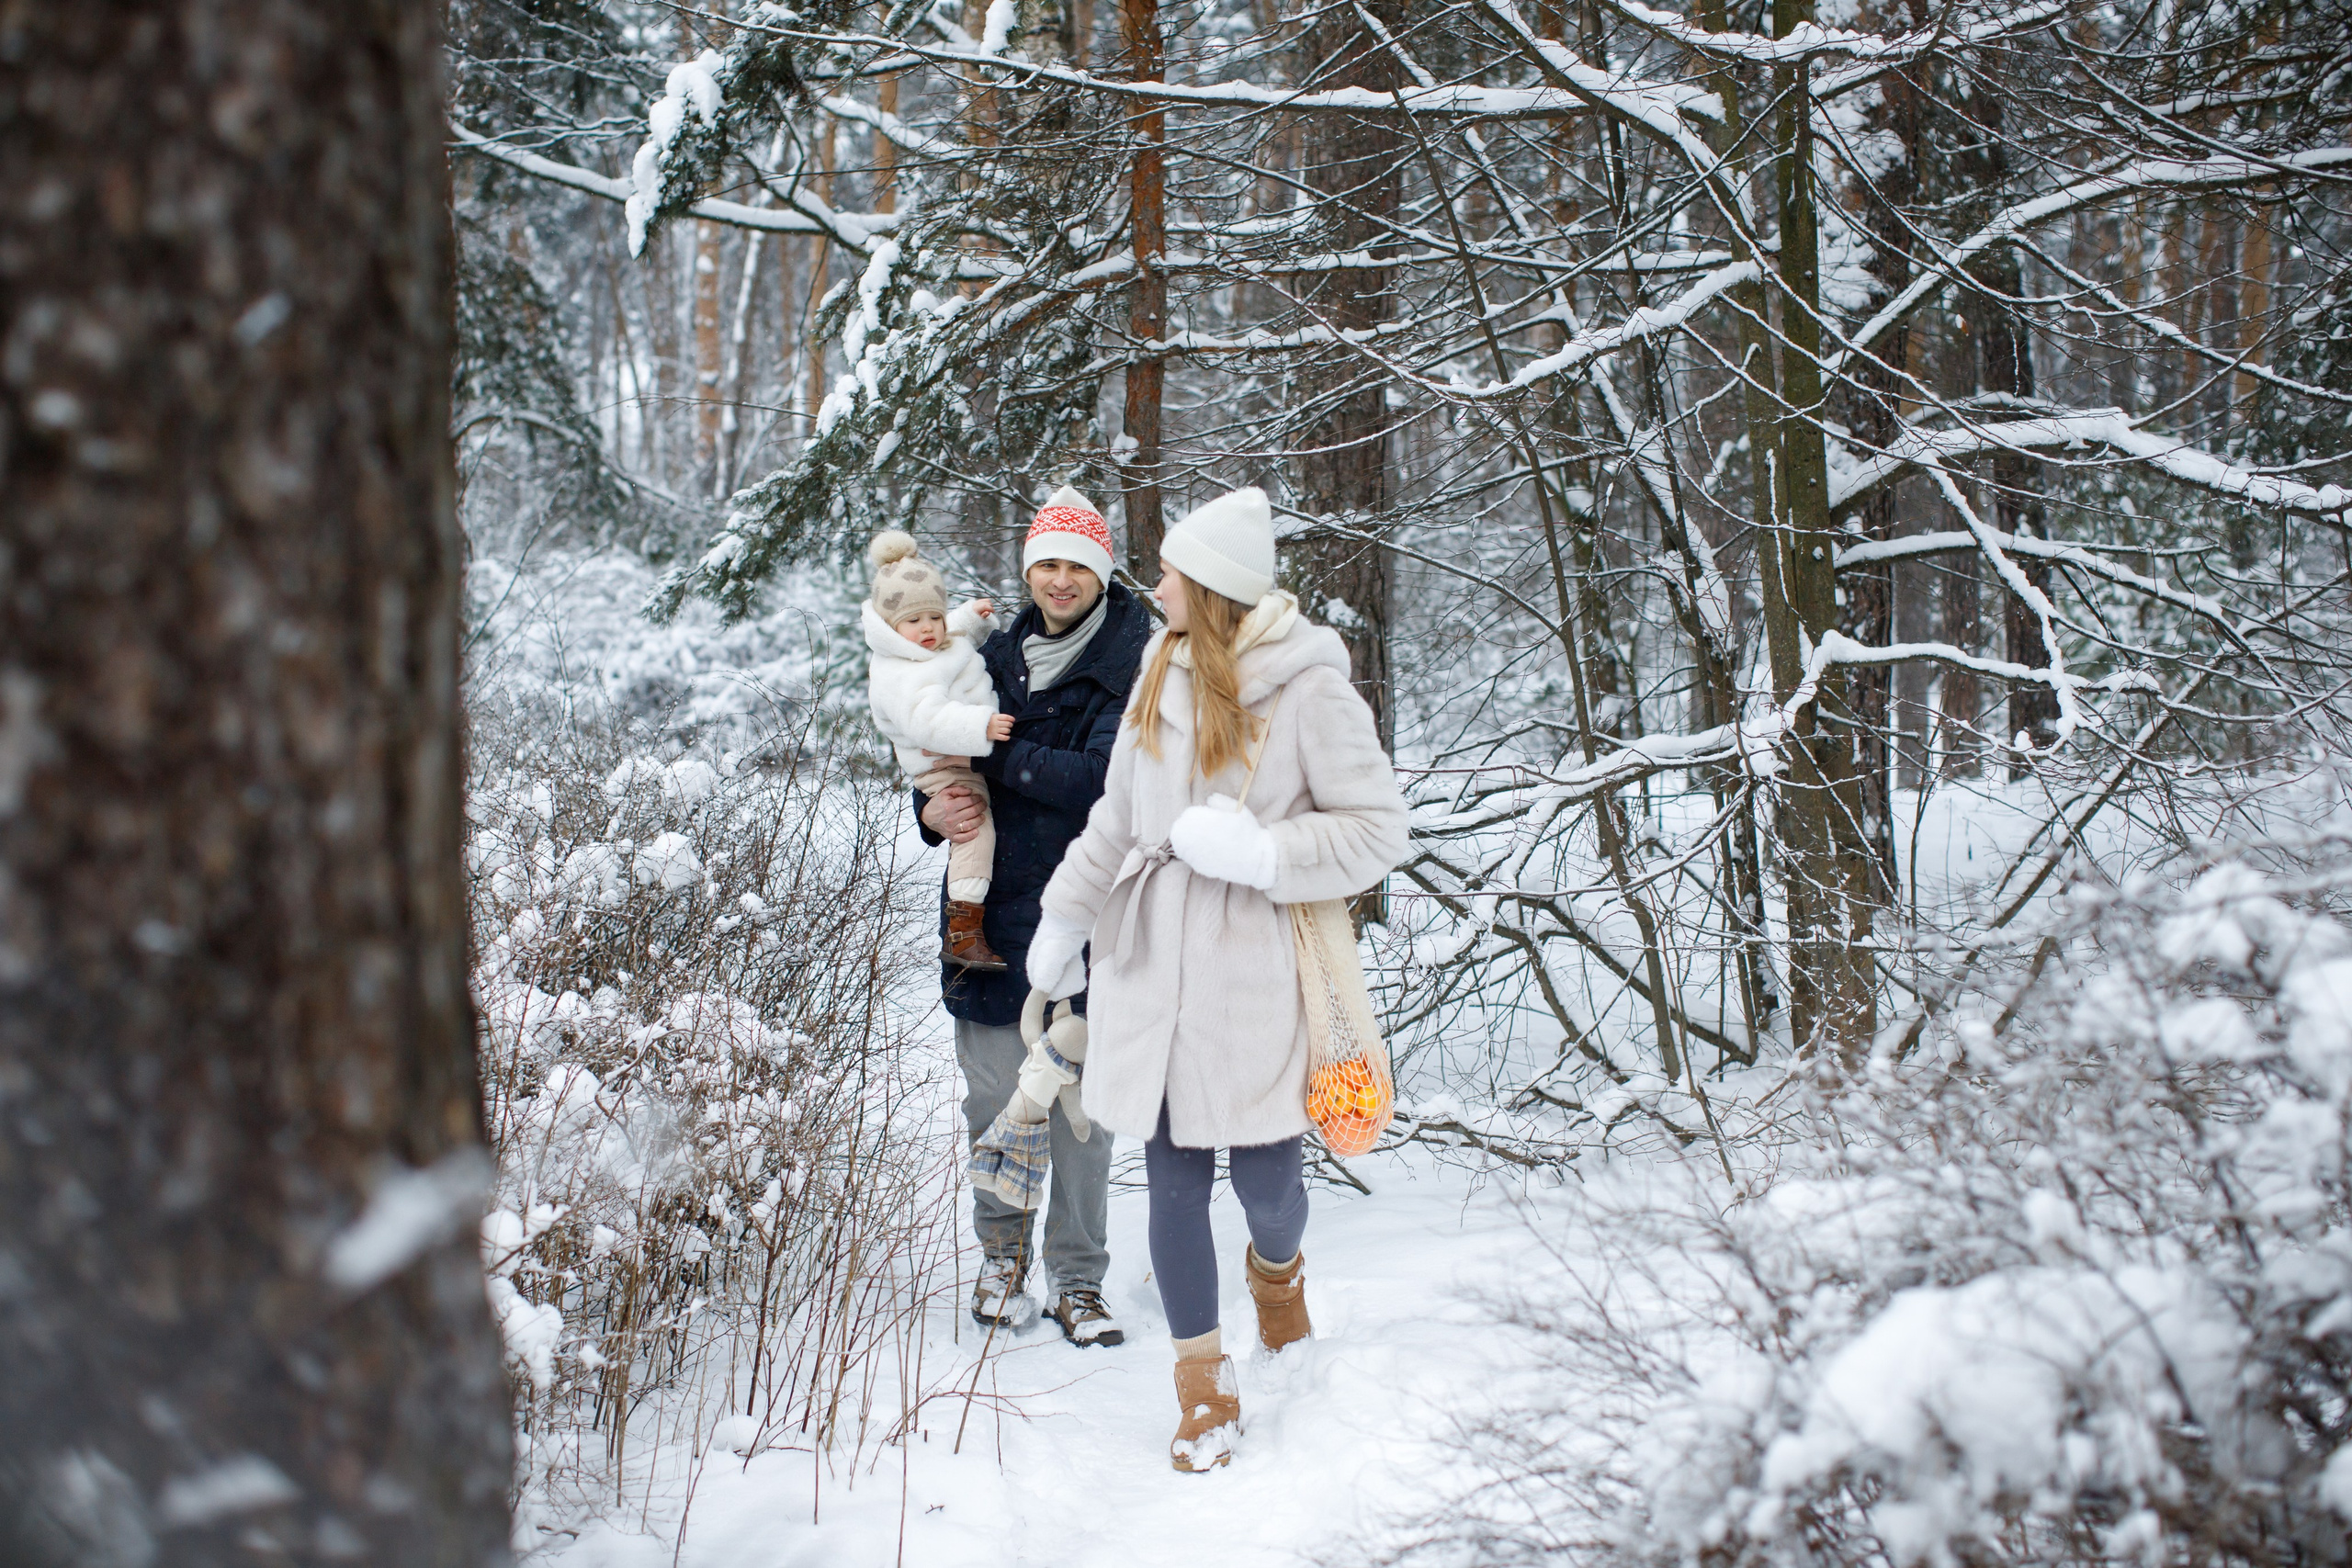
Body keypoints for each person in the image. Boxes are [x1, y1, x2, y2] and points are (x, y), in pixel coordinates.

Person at [1025, 485, 1408, 1472]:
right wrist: (1066, 916)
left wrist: (1260, 854)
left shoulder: (1311, 688)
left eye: (1170, 573)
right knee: (1170, 1180)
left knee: (1270, 1186)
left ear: (1213, 587)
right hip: (1148, 963)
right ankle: (1203, 1385)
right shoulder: (1162, 662)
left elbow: (1375, 831)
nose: (1152, 587)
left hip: (1253, 975)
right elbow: (1116, 813)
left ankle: (1277, 1281)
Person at [915, 487, 1152, 1348]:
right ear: (1028, 569)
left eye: (1077, 566)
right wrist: (932, 810)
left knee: (1081, 1111)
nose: (1059, 580)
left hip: (1093, 920)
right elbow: (938, 753)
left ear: (1103, 573)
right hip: (986, 919)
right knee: (992, 1098)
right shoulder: (993, 653)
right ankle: (1001, 1259)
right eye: (1046, 563)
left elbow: (1096, 780)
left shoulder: (1136, 661)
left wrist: (997, 744)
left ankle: (1079, 1279)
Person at [863, 530, 1012, 971]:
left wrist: (972, 617)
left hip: (960, 755)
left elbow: (949, 640)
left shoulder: (925, 645)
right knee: (975, 828)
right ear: (892, 630)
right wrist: (979, 725)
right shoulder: (898, 672)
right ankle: (963, 930)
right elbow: (926, 721)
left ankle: (966, 927)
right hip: (943, 765)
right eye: (914, 621)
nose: (927, 628)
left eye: (934, 615)